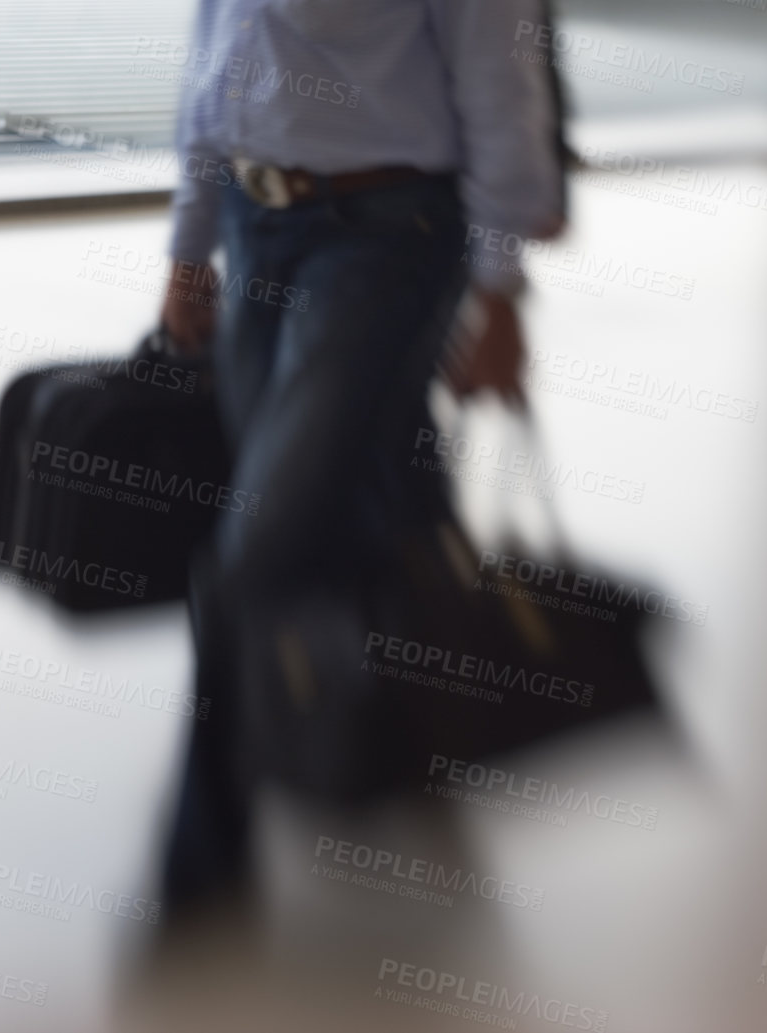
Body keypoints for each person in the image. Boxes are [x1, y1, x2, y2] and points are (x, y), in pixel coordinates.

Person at [153, 0, 569, 925]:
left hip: (390, 238)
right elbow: (211, 64)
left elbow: (500, 85)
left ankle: (198, 869)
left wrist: (500, 294)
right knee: (379, 484)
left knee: (256, 550)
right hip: (253, 218)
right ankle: (411, 728)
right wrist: (189, 250)